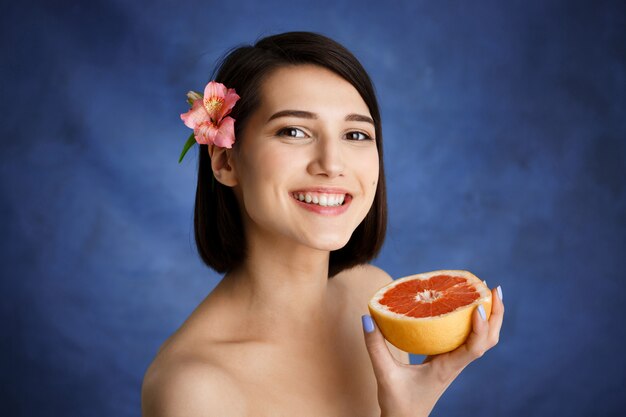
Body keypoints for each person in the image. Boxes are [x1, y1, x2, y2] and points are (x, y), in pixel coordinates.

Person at [141, 31, 505, 417]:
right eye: (293, 131)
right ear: (225, 162)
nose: (332, 164)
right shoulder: (193, 390)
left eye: (355, 134)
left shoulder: (374, 296)